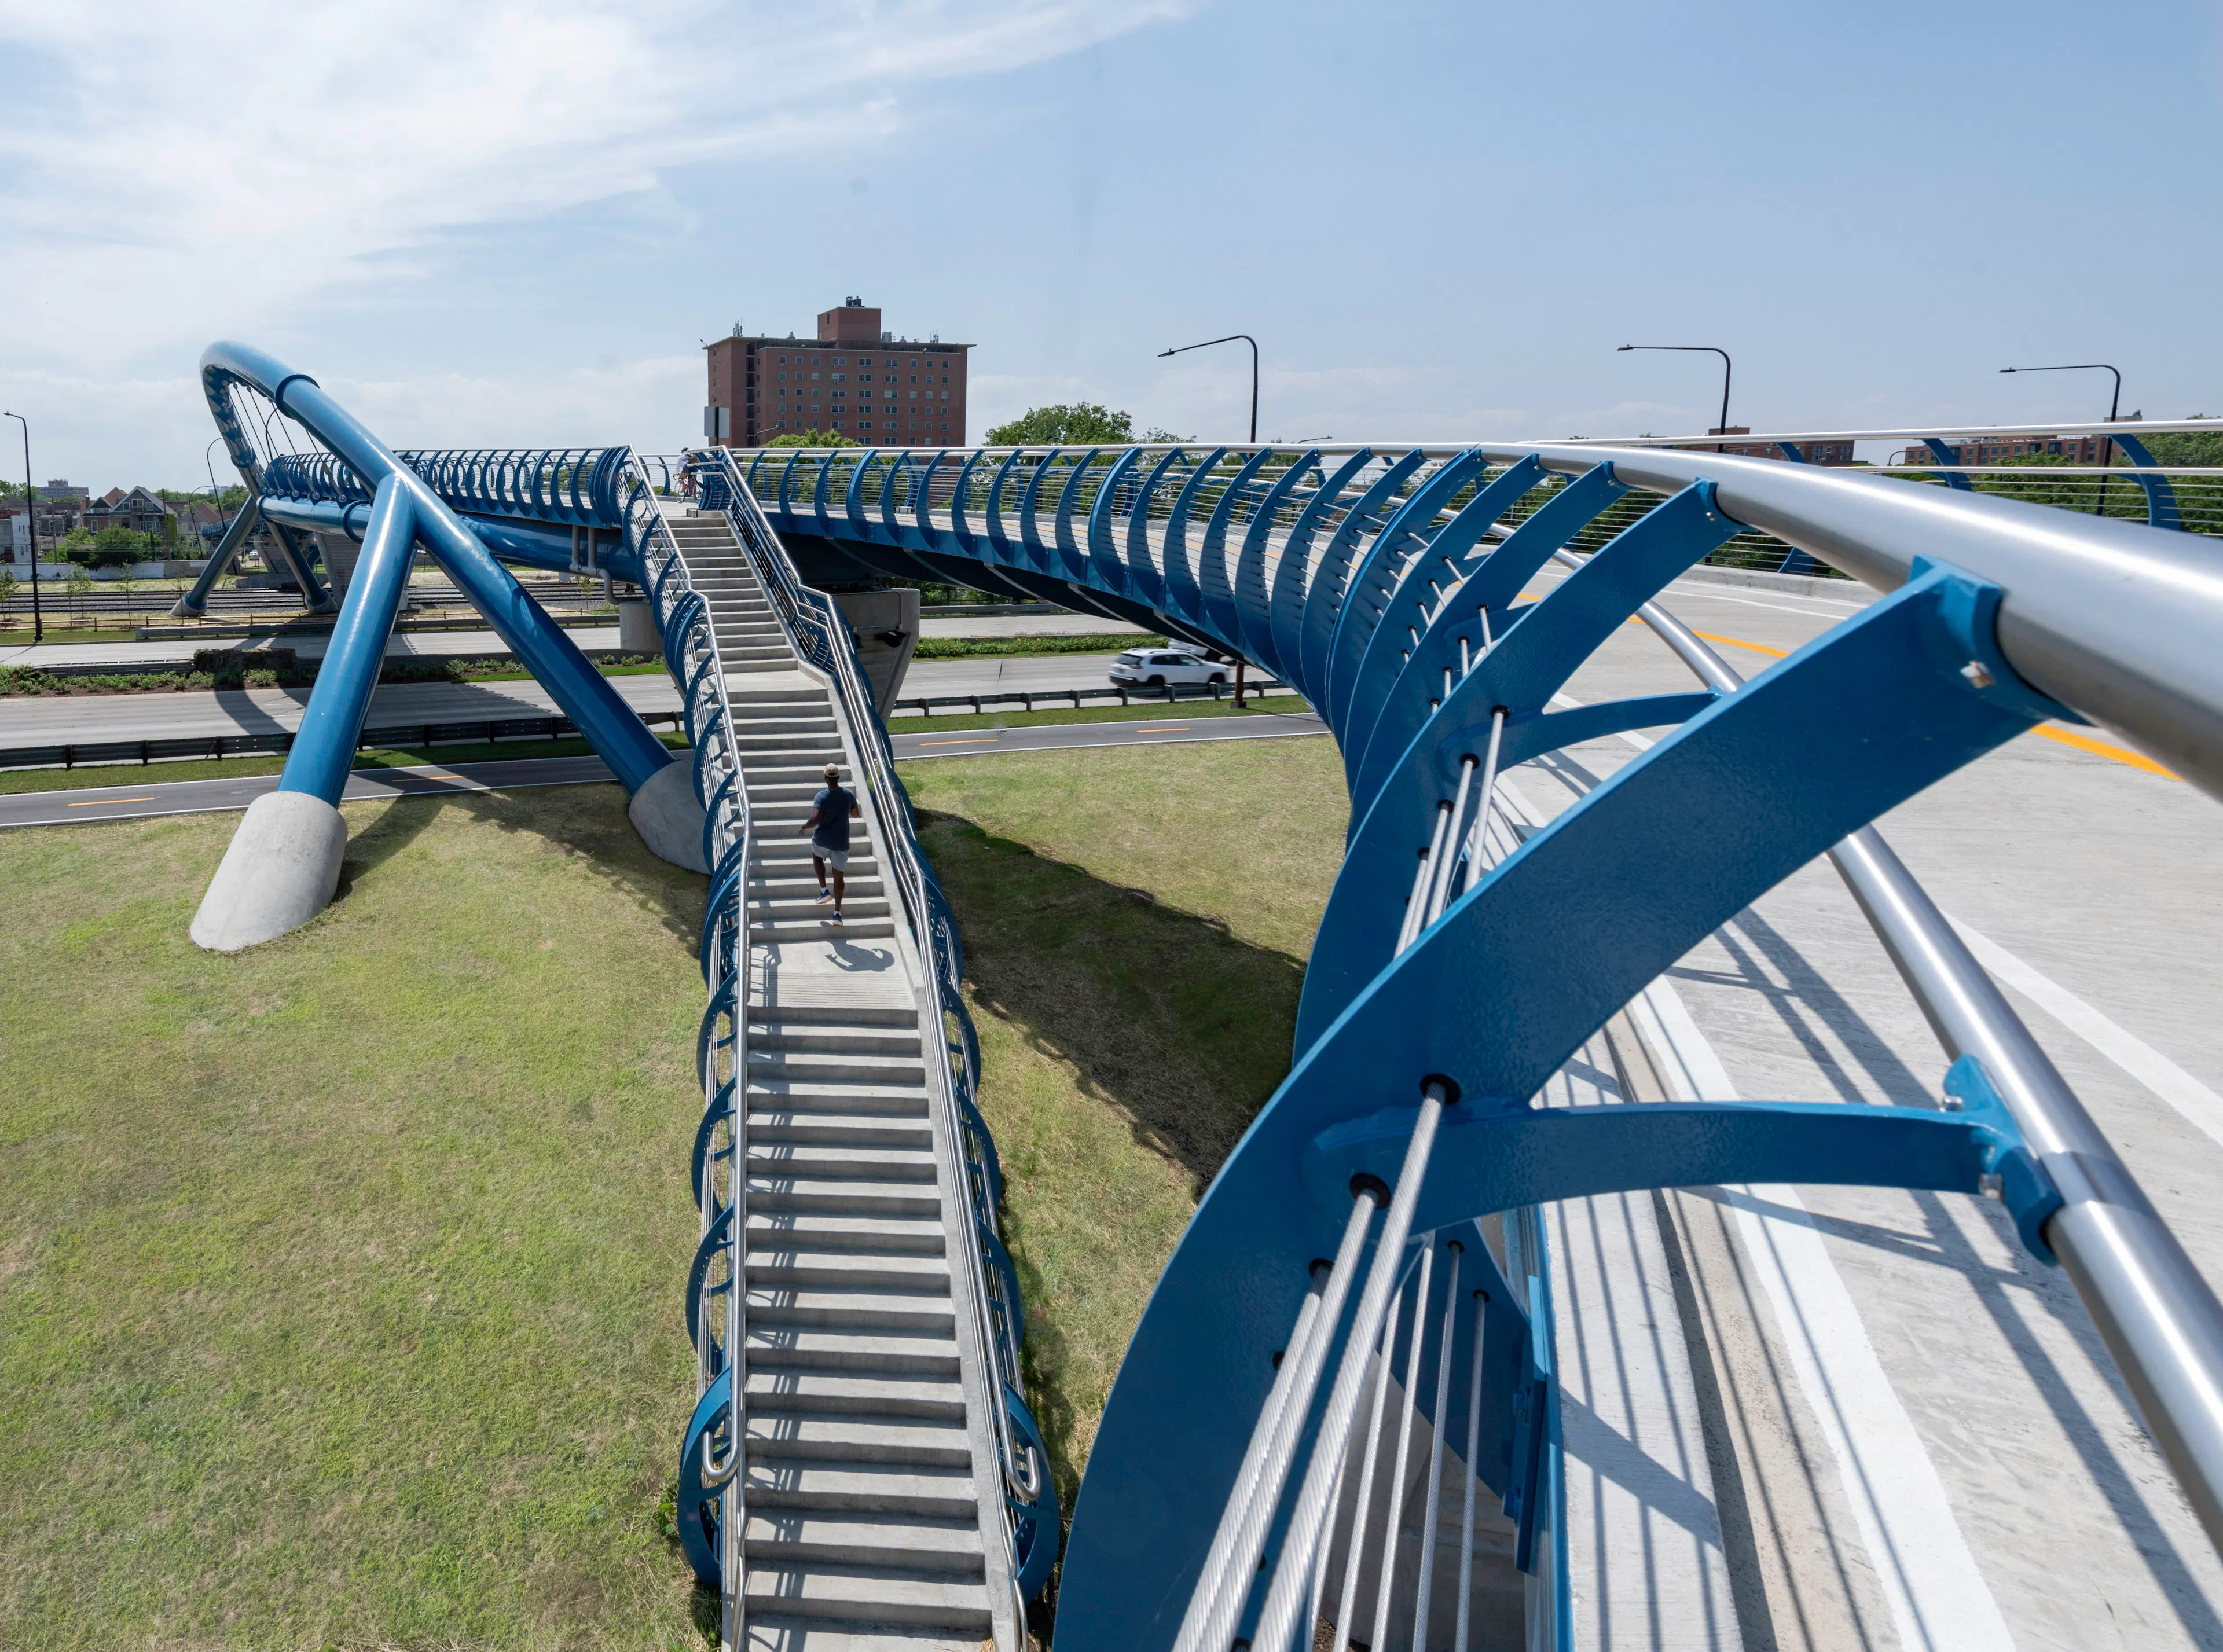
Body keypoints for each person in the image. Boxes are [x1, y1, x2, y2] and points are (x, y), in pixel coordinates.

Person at [797, 762, 861, 923]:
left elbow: (816, 819)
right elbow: (855, 814)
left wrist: (805, 826)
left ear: (826, 778)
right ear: (838, 778)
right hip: (841, 843)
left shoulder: (821, 796)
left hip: (823, 840)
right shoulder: (848, 794)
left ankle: (824, 891)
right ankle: (837, 914)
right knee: (839, 877)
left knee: (816, 855)